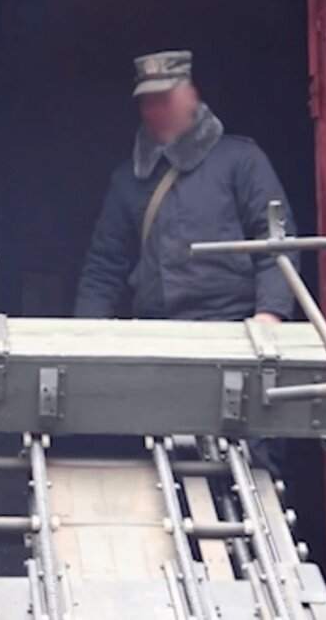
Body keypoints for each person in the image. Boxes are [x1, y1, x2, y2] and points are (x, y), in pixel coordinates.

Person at [73, 50, 298, 473]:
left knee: (253, 468)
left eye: (164, 98)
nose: (153, 110)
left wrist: (270, 315)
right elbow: (104, 265)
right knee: (160, 472)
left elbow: (277, 242)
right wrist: (91, 333)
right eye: (146, 101)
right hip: (158, 342)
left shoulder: (241, 161)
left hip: (236, 337)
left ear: (190, 96)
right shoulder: (128, 180)